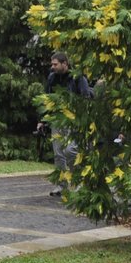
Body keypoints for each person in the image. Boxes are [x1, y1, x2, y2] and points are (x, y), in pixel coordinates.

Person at [37, 51, 92, 197]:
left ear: (65, 64)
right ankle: (61, 186)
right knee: (58, 154)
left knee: (70, 150)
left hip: (73, 120)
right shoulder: (52, 78)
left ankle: (79, 182)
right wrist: (43, 120)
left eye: (55, 64)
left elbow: (85, 98)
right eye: (52, 64)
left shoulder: (78, 77)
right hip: (57, 120)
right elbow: (47, 99)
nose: (52, 67)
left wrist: (82, 120)